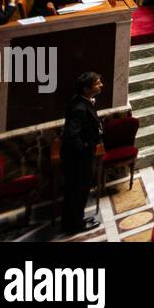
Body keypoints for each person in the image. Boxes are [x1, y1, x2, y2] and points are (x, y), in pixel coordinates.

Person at [61, 72, 104, 234]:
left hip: (77, 157)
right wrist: (85, 149)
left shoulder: (80, 101)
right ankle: (74, 225)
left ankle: (73, 221)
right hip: (78, 159)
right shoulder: (80, 107)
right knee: (78, 192)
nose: (101, 85)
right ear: (87, 89)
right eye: (97, 83)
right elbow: (71, 134)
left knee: (76, 192)